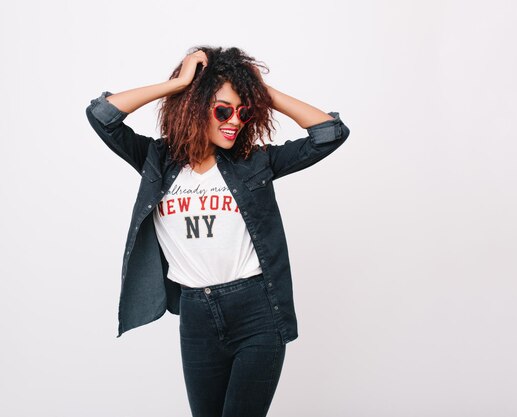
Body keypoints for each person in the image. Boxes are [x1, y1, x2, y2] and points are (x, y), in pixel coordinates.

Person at [85, 45, 350, 417]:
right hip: (196, 314)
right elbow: (102, 115)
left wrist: (263, 93)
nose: (235, 121)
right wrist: (177, 83)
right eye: (223, 110)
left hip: (258, 310)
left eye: (243, 112)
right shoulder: (157, 160)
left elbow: (329, 133)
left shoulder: (254, 162)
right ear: (194, 107)